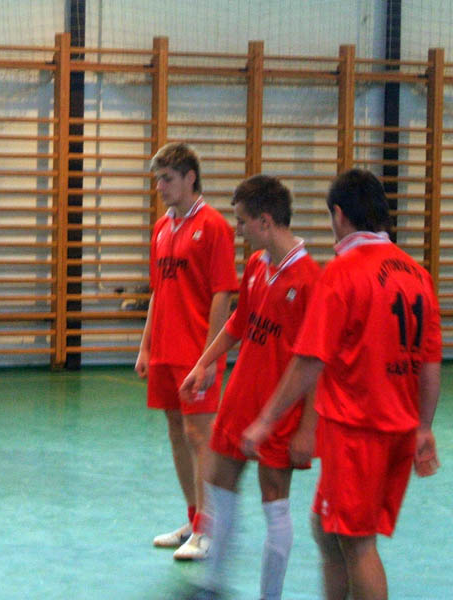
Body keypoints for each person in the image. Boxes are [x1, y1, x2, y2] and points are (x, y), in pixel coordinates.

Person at [242, 168, 442, 600]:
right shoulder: (417, 275)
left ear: (339, 214)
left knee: (357, 543)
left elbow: (309, 360)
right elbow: (430, 364)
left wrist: (266, 420)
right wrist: (424, 428)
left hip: (357, 432)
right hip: (398, 429)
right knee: (326, 528)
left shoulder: (343, 272)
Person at [179, 175, 320, 599]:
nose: (237, 230)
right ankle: (213, 584)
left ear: (265, 221)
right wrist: (203, 364)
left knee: (274, 500)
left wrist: (307, 429)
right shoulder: (259, 265)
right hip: (241, 399)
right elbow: (238, 324)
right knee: (218, 481)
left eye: (242, 221)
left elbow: (316, 363)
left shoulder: (309, 280)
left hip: (280, 412)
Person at [135, 142, 238, 560]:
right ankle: (194, 520)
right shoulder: (162, 227)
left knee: (200, 436)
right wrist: (145, 346)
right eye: (158, 179)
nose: (160, 187)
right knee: (176, 431)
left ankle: (209, 528)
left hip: (196, 350)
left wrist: (209, 357)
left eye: (167, 179)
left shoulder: (214, 226)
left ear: (190, 178)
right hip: (165, 349)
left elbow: (223, 293)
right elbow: (158, 291)